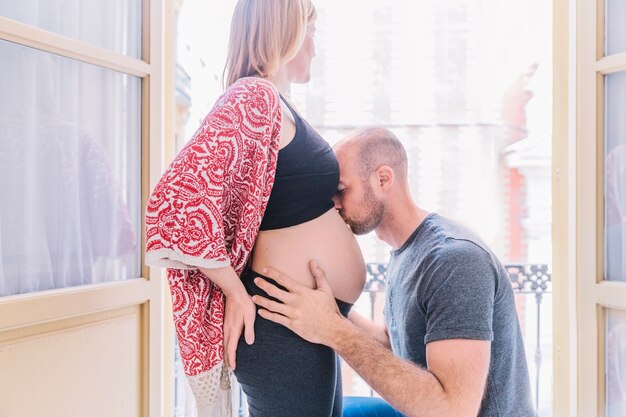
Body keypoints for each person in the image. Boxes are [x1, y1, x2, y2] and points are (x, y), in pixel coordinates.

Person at [144, 1, 365, 416]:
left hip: (307, 323)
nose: (315, 47)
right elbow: (177, 201)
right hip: (280, 327)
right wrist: (234, 292)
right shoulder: (254, 95)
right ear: (289, 30)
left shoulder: (276, 105)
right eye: (311, 31)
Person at [253, 127, 537, 417]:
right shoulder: (407, 252)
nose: (334, 204)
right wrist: (327, 310)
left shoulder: (454, 261)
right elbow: (394, 344)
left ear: (383, 179)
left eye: (341, 190)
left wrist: (333, 330)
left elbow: (452, 410)